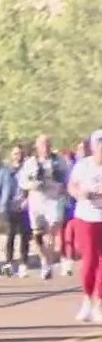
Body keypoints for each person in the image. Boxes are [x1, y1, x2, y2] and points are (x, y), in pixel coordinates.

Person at [18, 134, 70, 279]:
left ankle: (49, 259)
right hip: (37, 199)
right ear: (37, 147)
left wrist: (65, 188)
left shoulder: (59, 160)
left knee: (53, 228)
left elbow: (68, 176)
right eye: (42, 145)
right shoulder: (30, 162)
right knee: (38, 234)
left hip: (54, 199)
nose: (45, 148)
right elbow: (22, 182)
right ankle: (44, 260)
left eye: (47, 144)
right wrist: (32, 185)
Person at [67, 130, 102, 322]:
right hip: (87, 217)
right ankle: (87, 299)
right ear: (93, 146)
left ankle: (99, 303)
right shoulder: (83, 166)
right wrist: (80, 193)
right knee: (89, 261)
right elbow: (72, 185)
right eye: (99, 144)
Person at [0, 145, 32, 278]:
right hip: (8, 207)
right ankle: (8, 262)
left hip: (24, 207)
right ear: (11, 155)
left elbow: (34, 186)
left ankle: (23, 264)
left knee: (25, 236)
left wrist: (29, 199)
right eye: (15, 153)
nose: (17, 156)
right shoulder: (4, 171)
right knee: (10, 235)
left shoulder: (28, 170)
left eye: (20, 153)